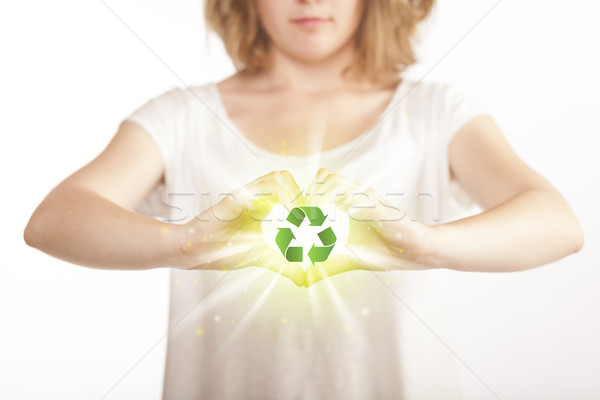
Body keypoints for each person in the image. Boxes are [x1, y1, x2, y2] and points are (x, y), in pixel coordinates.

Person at [24, 0, 584, 398]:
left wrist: (428, 245)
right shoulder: (183, 117)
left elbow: (557, 223)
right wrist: (186, 241)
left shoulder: (434, 111)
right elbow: (55, 219)